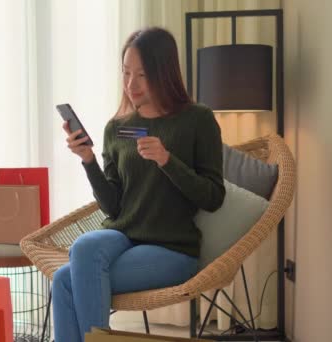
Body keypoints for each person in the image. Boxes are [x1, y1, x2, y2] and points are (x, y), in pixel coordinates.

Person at [54, 27, 226, 342]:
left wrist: (167, 161)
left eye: (142, 75)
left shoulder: (197, 120)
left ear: (164, 74)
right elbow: (113, 206)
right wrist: (88, 160)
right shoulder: (117, 128)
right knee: (81, 250)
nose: (131, 84)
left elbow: (214, 197)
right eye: (126, 73)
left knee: (66, 280)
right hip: (123, 236)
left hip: (172, 249)